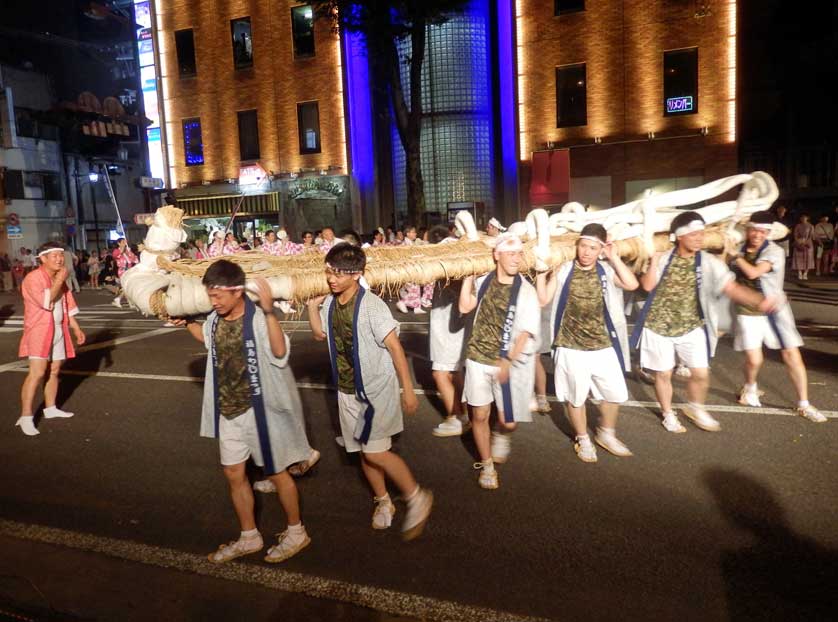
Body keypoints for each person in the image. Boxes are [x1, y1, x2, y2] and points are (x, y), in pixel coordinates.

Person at [171, 260, 313, 563]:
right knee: (234, 474)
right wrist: (187, 324)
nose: (214, 302)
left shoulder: (259, 318)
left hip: (261, 410)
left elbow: (279, 352)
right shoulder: (215, 318)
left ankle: (297, 531)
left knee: (277, 473)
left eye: (218, 296)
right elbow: (208, 338)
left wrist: (269, 310)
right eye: (210, 296)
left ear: (237, 292)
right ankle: (249, 536)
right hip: (228, 410)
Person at [306, 244, 433, 540]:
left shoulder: (373, 306)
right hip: (346, 390)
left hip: (375, 391)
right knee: (363, 452)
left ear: (357, 274)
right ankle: (383, 501)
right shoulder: (330, 303)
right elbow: (318, 333)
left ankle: (416, 496)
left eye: (339, 273)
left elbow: (396, 349)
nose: (332, 278)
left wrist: (408, 390)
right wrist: (313, 307)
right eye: (329, 271)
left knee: (377, 452)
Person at [632, 211, 776, 434]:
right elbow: (648, 286)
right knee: (663, 374)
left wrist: (760, 300)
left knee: (700, 373)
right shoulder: (665, 258)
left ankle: (696, 408)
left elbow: (732, 288)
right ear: (679, 236)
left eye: (701, 234)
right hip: (657, 326)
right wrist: (654, 262)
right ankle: (668, 414)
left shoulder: (708, 262)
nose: (699, 238)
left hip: (692, 326)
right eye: (693, 234)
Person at [536, 224, 639, 462]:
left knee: (614, 394)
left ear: (601, 249)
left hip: (602, 345)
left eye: (593, 248)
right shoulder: (563, 270)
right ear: (576, 245)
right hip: (570, 346)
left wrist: (614, 258)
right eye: (583, 246)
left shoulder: (605, 270)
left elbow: (632, 284)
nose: (586, 252)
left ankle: (606, 433)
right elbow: (543, 299)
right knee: (576, 397)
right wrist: (542, 272)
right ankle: (582, 438)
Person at [459, 232, 540, 489]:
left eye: (519, 254)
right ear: (497, 255)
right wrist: (467, 277)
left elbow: (526, 332)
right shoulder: (483, 281)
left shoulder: (526, 290)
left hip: (504, 362)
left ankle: (501, 434)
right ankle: (487, 465)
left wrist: (508, 360)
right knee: (480, 415)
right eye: (511, 253)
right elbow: (464, 307)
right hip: (477, 358)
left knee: (509, 421)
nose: (517, 259)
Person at [730, 211, 826, 423]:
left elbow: (754, 273)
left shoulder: (774, 251)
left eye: (763, 231)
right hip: (747, 311)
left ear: (768, 232)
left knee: (792, 355)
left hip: (775, 311)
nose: (758, 234)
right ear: (747, 230)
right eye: (754, 229)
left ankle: (803, 404)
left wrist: (734, 256)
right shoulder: (737, 248)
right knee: (754, 360)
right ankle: (749, 387)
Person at [16, 242, 86, 436]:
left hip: (58, 329)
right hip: (39, 330)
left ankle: (50, 408)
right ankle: (26, 416)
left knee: (54, 370)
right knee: (37, 373)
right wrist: (60, 279)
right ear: (43, 259)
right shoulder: (33, 278)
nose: (59, 259)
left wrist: (76, 329)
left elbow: (67, 306)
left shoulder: (59, 278)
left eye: (61, 255)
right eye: (54, 256)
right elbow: (47, 302)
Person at [426, 225, 470, 437]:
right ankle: (465, 413)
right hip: (454, 327)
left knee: (440, 373)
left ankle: (456, 417)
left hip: (449, 328)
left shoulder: (447, 260)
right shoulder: (454, 255)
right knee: (455, 371)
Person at [111, 237, 137, 308]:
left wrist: (130, 253)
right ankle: (119, 299)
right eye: (122, 242)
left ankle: (130, 303)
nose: (124, 243)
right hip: (122, 270)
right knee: (127, 287)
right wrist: (123, 250)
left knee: (128, 287)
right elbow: (116, 256)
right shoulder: (116, 251)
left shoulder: (128, 250)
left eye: (125, 242)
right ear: (118, 243)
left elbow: (134, 260)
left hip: (129, 270)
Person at [791, 214, 815, 280]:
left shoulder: (810, 226)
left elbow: (811, 236)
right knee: (798, 258)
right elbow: (795, 235)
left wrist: (805, 242)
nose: (803, 218)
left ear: (807, 218)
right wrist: (799, 242)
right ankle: (799, 273)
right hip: (799, 242)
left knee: (808, 258)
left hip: (808, 243)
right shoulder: (798, 225)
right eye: (802, 217)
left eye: (805, 217)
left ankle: (805, 273)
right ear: (800, 218)